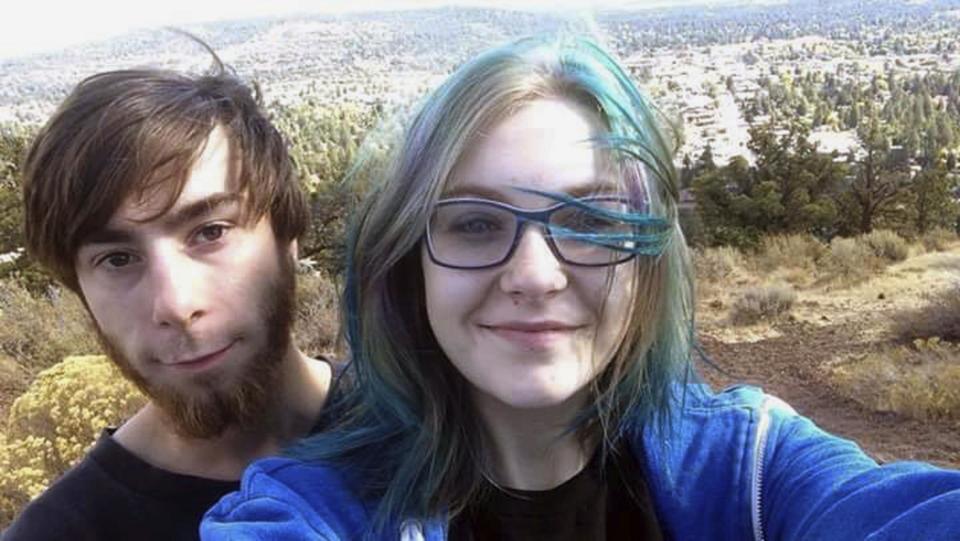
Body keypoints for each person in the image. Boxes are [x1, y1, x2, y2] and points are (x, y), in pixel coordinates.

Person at [201, 35, 960, 540]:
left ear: (649, 260)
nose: (534, 274)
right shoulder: (319, 510)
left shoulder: (751, 470)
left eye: (589, 220)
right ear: (409, 261)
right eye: (473, 223)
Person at [3, 52, 337, 541]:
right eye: (117, 259)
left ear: (288, 237)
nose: (176, 305)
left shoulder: (436, 427)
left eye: (211, 231)